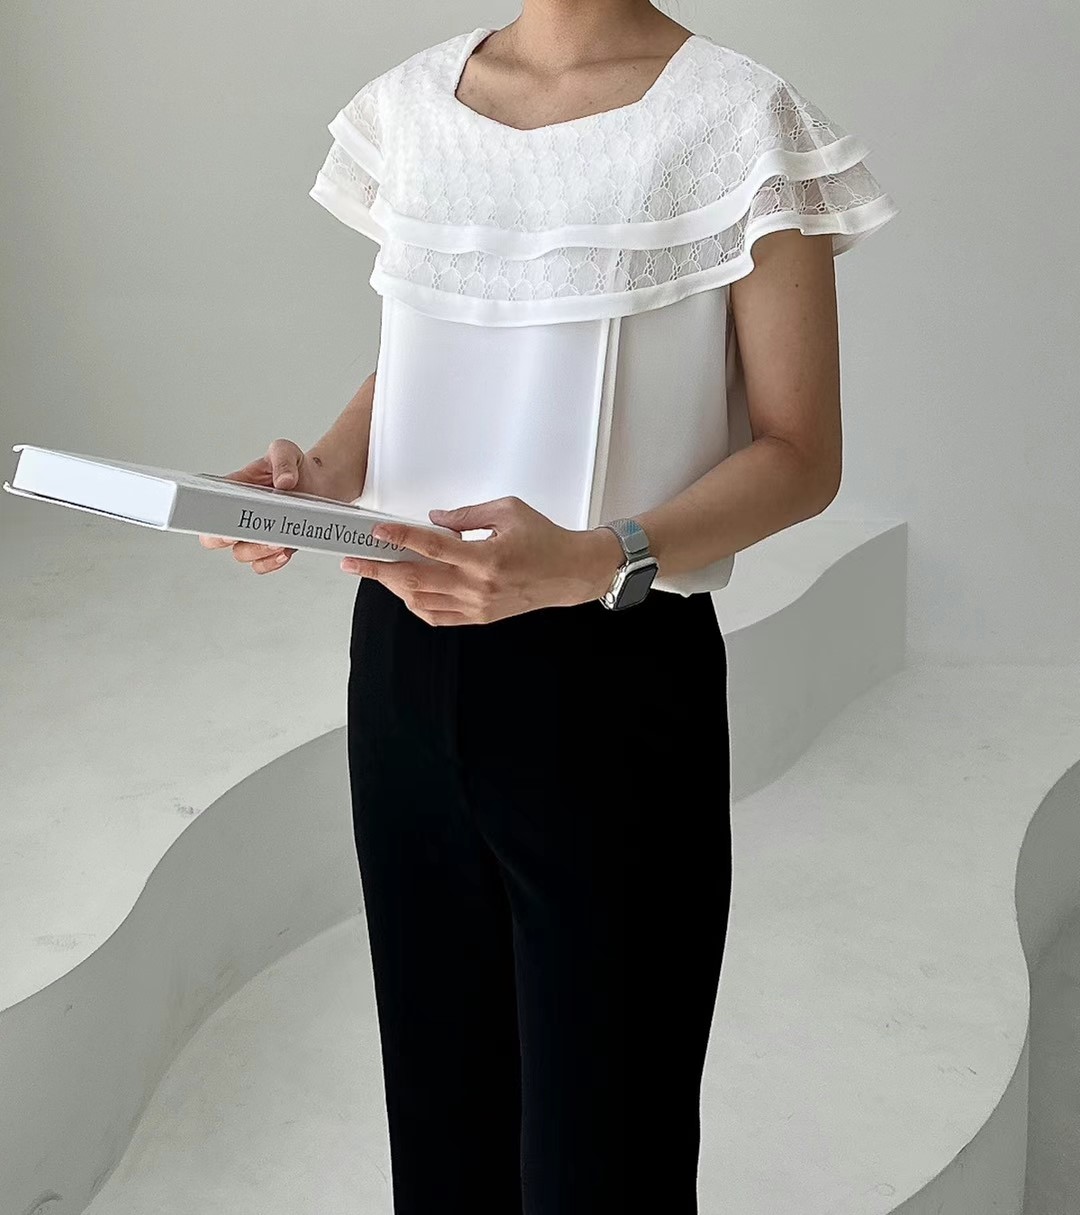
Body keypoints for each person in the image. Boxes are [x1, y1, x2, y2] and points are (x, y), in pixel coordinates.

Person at [201, 4, 898, 1211]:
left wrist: (593, 558)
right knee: (442, 1121)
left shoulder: (740, 122)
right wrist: (322, 476)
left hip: (615, 679)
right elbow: (426, 341)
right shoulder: (414, 102)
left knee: (605, 1151)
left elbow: (801, 454)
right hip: (405, 657)